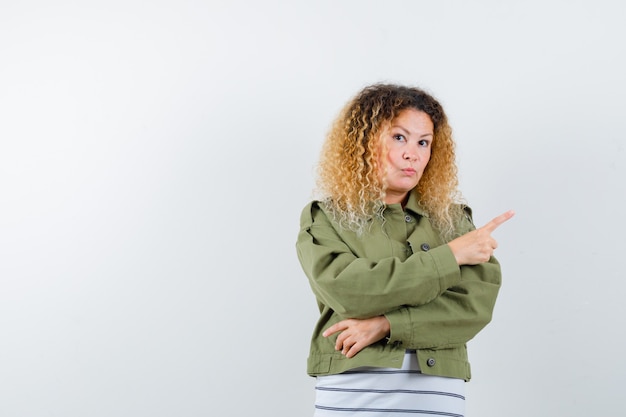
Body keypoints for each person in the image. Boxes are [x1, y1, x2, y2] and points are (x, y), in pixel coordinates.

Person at [295, 83, 514, 417]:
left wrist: (386, 324)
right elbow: (349, 291)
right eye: (399, 137)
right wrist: (451, 256)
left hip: (436, 392)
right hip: (353, 389)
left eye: (423, 142)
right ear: (363, 142)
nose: (413, 153)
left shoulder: (454, 222)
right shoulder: (327, 216)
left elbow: (474, 306)